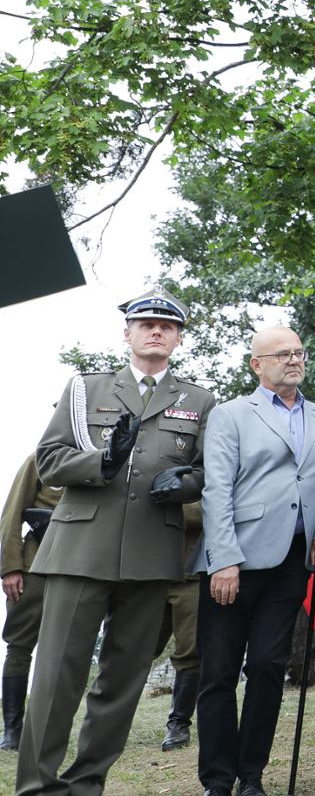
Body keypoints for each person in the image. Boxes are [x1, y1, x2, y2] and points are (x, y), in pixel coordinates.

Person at [19, 287, 218, 796]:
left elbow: (208, 472)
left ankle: (86, 784)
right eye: (146, 323)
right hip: (81, 549)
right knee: (57, 678)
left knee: (121, 682)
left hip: (153, 555)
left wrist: (186, 484)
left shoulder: (198, 400)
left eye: (167, 326)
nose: (156, 331)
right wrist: (104, 461)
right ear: (127, 333)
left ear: (178, 337)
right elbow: (51, 460)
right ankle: (38, 787)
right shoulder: (87, 389)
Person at [194, 326, 315, 796]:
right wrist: (224, 560)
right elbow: (216, 488)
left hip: (293, 562)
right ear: (257, 364)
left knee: (270, 667)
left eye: (299, 352)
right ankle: (218, 778)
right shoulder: (232, 414)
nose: (294, 360)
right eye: (282, 354)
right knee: (217, 672)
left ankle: (251, 775)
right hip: (235, 559)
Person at [1, 455, 59, 752]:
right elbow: (11, 512)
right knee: (20, 644)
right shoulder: (43, 459)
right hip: (35, 563)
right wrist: (10, 566)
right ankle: (12, 729)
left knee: (64, 648)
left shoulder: (105, 459)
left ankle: (46, 727)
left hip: (79, 568)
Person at [157, 503, 204, 753]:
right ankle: (111, 719)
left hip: (191, 569)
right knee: (133, 648)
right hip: (150, 571)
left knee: (190, 650)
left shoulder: (212, 465)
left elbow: (213, 506)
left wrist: (161, 508)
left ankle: (178, 723)